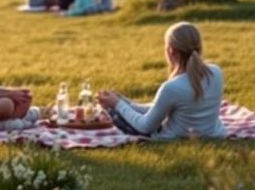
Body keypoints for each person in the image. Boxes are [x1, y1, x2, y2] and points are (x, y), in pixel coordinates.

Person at [96, 22, 226, 140]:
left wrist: (117, 105)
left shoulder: (172, 87)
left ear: (171, 51)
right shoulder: (216, 72)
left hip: (174, 139)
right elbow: (157, 110)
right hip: (215, 134)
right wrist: (125, 101)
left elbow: (145, 126)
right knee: (122, 108)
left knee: (113, 112)